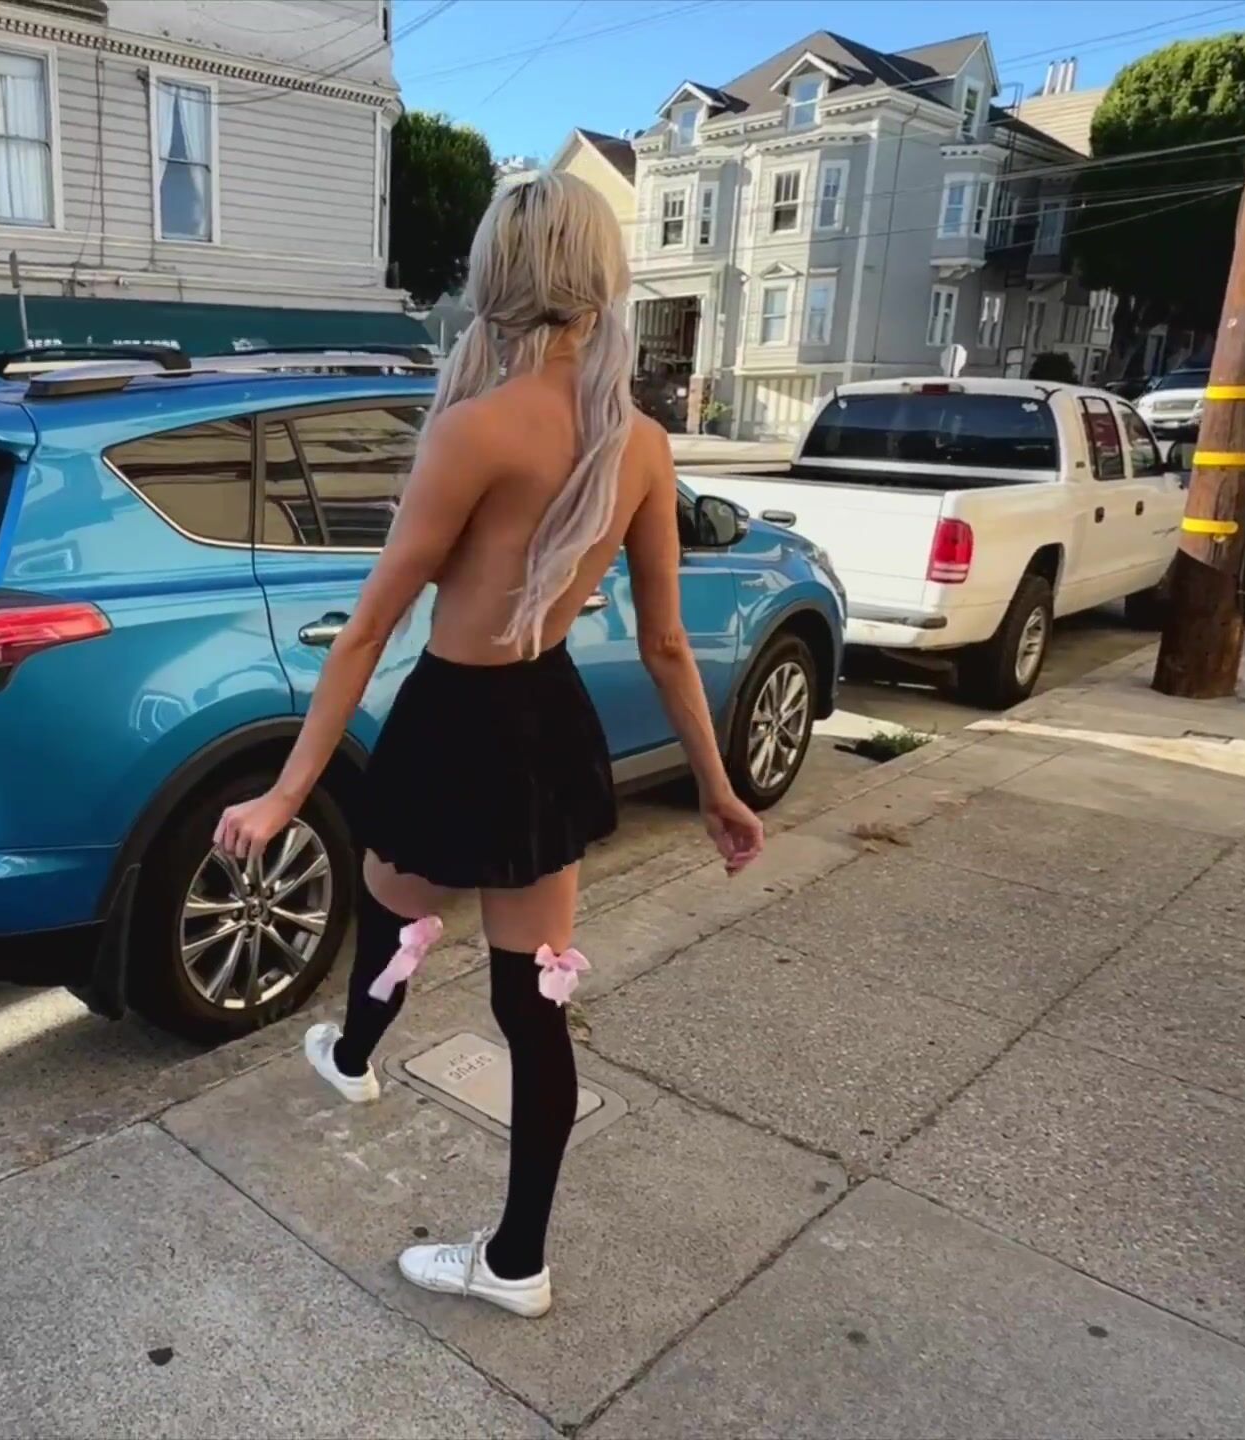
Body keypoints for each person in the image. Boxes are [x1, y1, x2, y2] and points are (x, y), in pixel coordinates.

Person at [211, 172, 766, 1320]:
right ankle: (515, 1258)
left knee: (393, 903)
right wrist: (717, 787)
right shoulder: (640, 444)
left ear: (495, 279)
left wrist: (285, 793)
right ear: (600, 280)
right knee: (533, 1000)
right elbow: (665, 643)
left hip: (454, 715)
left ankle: (354, 1055)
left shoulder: (473, 430)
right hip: (546, 719)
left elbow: (367, 628)